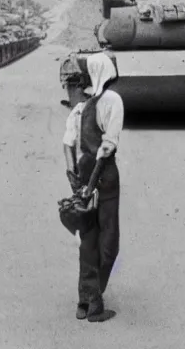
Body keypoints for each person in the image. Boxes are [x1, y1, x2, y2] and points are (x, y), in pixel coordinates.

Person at [62, 53, 124, 323]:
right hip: (104, 180)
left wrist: (74, 178)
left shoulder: (80, 108)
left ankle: (84, 301)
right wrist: (91, 185)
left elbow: (67, 144)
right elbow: (107, 147)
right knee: (108, 243)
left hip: (84, 179)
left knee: (88, 241)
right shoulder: (113, 101)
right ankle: (95, 302)